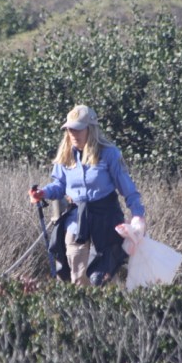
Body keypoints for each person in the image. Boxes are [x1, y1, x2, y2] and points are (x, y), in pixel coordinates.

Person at [29, 104, 146, 286]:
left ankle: (110, 310)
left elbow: (128, 188)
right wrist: (43, 193)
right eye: (69, 130)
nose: (73, 134)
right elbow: (60, 185)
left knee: (103, 278)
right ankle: (82, 311)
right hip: (77, 220)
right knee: (77, 275)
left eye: (78, 129)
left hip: (107, 218)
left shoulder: (110, 154)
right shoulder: (65, 156)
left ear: (90, 129)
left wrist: (138, 216)